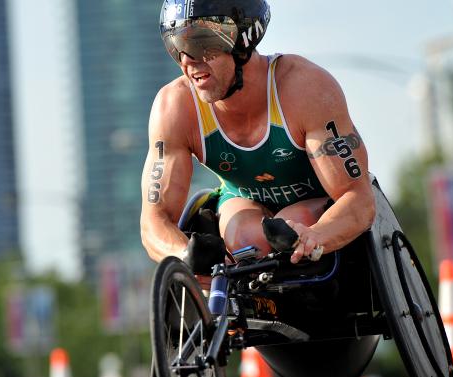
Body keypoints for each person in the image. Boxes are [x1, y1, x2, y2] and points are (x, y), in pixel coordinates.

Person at [141, 0, 376, 271]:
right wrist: (185, 254)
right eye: (176, 47)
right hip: (244, 203)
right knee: (244, 237)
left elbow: (359, 199)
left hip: (316, 205)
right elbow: (153, 223)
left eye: (200, 43)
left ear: (244, 39)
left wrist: (317, 235)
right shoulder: (174, 106)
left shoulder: (304, 88)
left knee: (293, 219)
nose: (187, 61)